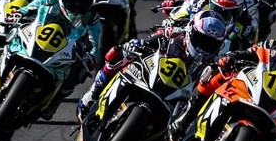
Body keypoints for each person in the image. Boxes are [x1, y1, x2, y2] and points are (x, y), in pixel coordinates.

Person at [77, 10, 228, 120]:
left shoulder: (211, 64)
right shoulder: (174, 33)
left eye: (210, 44)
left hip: (175, 97)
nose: (203, 47)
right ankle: (93, 93)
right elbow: (151, 40)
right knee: (116, 54)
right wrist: (138, 45)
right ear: (190, 32)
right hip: (150, 73)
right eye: (200, 39)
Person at [14, 0, 100, 119]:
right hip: (40, 29)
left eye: (83, 3)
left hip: (67, 43)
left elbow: (96, 42)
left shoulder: (91, 16)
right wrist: (21, 13)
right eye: (74, 0)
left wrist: (91, 56)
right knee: (12, 34)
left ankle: (55, 100)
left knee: (80, 70)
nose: (77, 6)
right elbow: (32, 6)